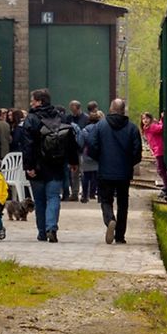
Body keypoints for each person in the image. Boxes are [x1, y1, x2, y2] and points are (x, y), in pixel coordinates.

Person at [23, 89, 79, 243]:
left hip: (37, 167)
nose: (31, 103)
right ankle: (51, 228)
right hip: (56, 165)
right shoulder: (60, 117)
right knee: (54, 197)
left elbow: (27, 145)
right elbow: (70, 141)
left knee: (40, 200)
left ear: (40, 101)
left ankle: (42, 232)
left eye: (33, 100)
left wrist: (29, 166)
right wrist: (73, 162)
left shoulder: (32, 119)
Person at [86, 98, 143, 245]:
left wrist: (100, 158)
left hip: (105, 171)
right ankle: (120, 236)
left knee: (106, 200)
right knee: (123, 203)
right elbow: (137, 152)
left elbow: (91, 145)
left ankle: (110, 219)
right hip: (124, 173)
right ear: (123, 110)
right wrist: (129, 163)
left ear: (111, 109)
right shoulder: (132, 128)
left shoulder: (100, 126)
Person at [140, 111, 167, 194]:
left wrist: (162, 119)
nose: (145, 120)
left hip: (159, 150)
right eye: (143, 118)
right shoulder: (147, 128)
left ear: (150, 119)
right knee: (161, 169)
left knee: (161, 169)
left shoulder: (152, 127)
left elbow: (161, 128)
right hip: (157, 150)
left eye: (147, 118)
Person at [79, 110, 102, 202]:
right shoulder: (101, 130)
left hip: (86, 155)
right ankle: (99, 196)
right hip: (98, 156)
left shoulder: (84, 130)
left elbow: (80, 143)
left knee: (86, 177)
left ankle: (85, 196)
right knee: (98, 177)